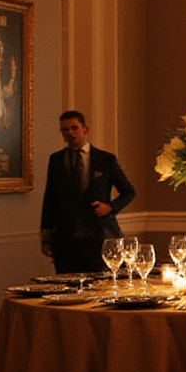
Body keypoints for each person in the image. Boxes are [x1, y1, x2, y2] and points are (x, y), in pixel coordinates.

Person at [39, 110, 135, 274]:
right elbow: (50, 198)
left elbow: (129, 191)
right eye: (65, 130)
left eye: (74, 128)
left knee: (99, 285)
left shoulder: (105, 159)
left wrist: (110, 207)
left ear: (85, 129)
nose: (70, 133)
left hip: (98, 235)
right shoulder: (56, 160)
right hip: (65, 239)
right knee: (68, 288)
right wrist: (46, 236)